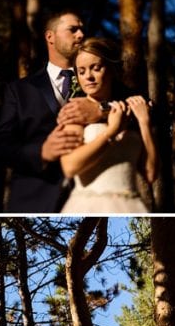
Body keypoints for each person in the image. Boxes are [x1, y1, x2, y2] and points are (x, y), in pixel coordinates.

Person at [0, 10, 109, 212]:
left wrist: (102, 110)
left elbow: (144, 106)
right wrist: (41, 153)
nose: (81, 35)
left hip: (95, 198)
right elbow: (2, 146)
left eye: (82, 30)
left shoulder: (100, 79)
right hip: (33, 201)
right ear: (50, 37)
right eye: (73, 30)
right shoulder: (19, 90)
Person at [59, 38, 156, 212]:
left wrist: (144, 122)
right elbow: (69, 166)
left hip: (130, 205)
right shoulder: (77, 110)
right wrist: (111, 132)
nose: (88, 76)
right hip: (88, 204)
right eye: (81, 72)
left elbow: (150, 174)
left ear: (111, 70)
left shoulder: (130, 112)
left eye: (96, 68)